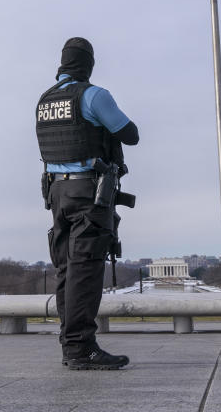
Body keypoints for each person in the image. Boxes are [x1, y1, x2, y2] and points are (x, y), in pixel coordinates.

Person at [36, 37, 139, 370]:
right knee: (86, 267)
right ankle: (81, 348)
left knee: (67, 268)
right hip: (87, 192)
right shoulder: (93, 95)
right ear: (87, 64)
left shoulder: (45, 100)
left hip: (56, 193)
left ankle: (71, 344)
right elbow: (130, 133)